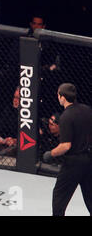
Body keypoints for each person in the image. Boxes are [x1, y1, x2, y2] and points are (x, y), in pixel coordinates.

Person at [42, 83, 92, 216]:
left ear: (62, 97)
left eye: (58, 95)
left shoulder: (66, 116)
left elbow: (66, 146)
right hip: (88, 159)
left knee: (59, 197)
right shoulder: (87, 109)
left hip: (73, 163)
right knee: (90, 196)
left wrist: (50, 154)